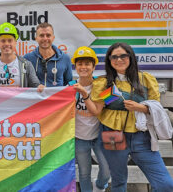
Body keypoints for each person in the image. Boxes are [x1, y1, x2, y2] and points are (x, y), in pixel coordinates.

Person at [89, 42, 173, 192]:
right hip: (113, 134)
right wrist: (84, 96)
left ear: (131, 57)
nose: (119, 59)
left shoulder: (145, 79)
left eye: (123, 56)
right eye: (114, 57)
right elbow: (97, 111)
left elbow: (156, 107)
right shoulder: (103, 83)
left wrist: (139, 107)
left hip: (141, 136)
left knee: (165, 184)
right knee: (119, 182)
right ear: (109, 60)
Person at [70, 46, 110, 192]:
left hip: (99, 136)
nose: (83, 67)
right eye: (80, 64)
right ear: (76, 67)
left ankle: (100, 185)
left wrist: (85, 95)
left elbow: (99, 111)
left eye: (87, 64)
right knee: (84, 173)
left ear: (93, 66)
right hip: (79, 137)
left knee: (107, 170)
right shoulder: (70, 87)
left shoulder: (101, 86)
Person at [0, 22, 44, 91]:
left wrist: (40, 87)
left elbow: (35, 85)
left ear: (15, 43)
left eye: (10, 40)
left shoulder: (26, 65)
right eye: (3, 41)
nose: (7, 44)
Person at [24, 22, 72, 87]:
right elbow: (24, 83)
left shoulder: (65, 58)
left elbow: (69, 83)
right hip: (35, 97)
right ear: (36, 38)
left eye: (48, 35)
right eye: (41, 35)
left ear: (53, 37)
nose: (45, 38)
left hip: (56, 97)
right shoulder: (27, 59)